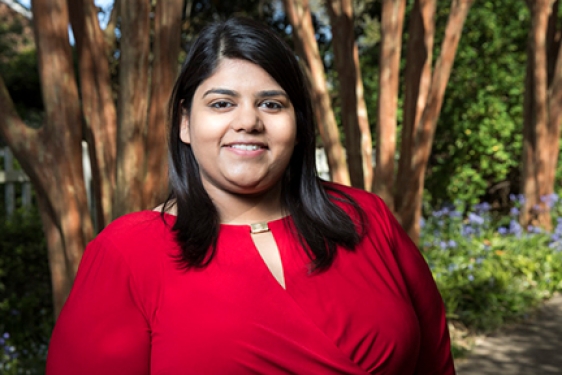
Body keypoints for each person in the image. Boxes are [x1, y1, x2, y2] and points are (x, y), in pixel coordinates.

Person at [46, 17, 456, 375]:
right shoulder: (126, 252)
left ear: (297, 124)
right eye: (222, 103)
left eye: (271, 104)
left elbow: (436, 360)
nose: (248, 121)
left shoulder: (366, 218)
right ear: (185, 124)